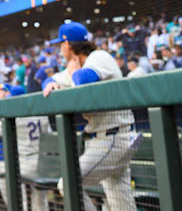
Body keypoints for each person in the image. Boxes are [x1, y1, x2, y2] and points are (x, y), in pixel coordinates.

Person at [44, 22, 139, 211]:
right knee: (121, 202)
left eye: (61, 45)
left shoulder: (99, 56)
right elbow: (47, 82)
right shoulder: (76, 66)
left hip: (112, 137)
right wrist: (54, 81)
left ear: (68, 44)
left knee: (68, 184)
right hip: (108, 138)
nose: (60, 49)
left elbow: (83, 79)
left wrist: (71, 74)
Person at [0, 85, 52, 211]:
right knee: (40, 200)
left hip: (24, 162)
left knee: (19, 199)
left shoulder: (14, 115)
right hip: (43, 161)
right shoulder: (42, 113)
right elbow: (49, 135)